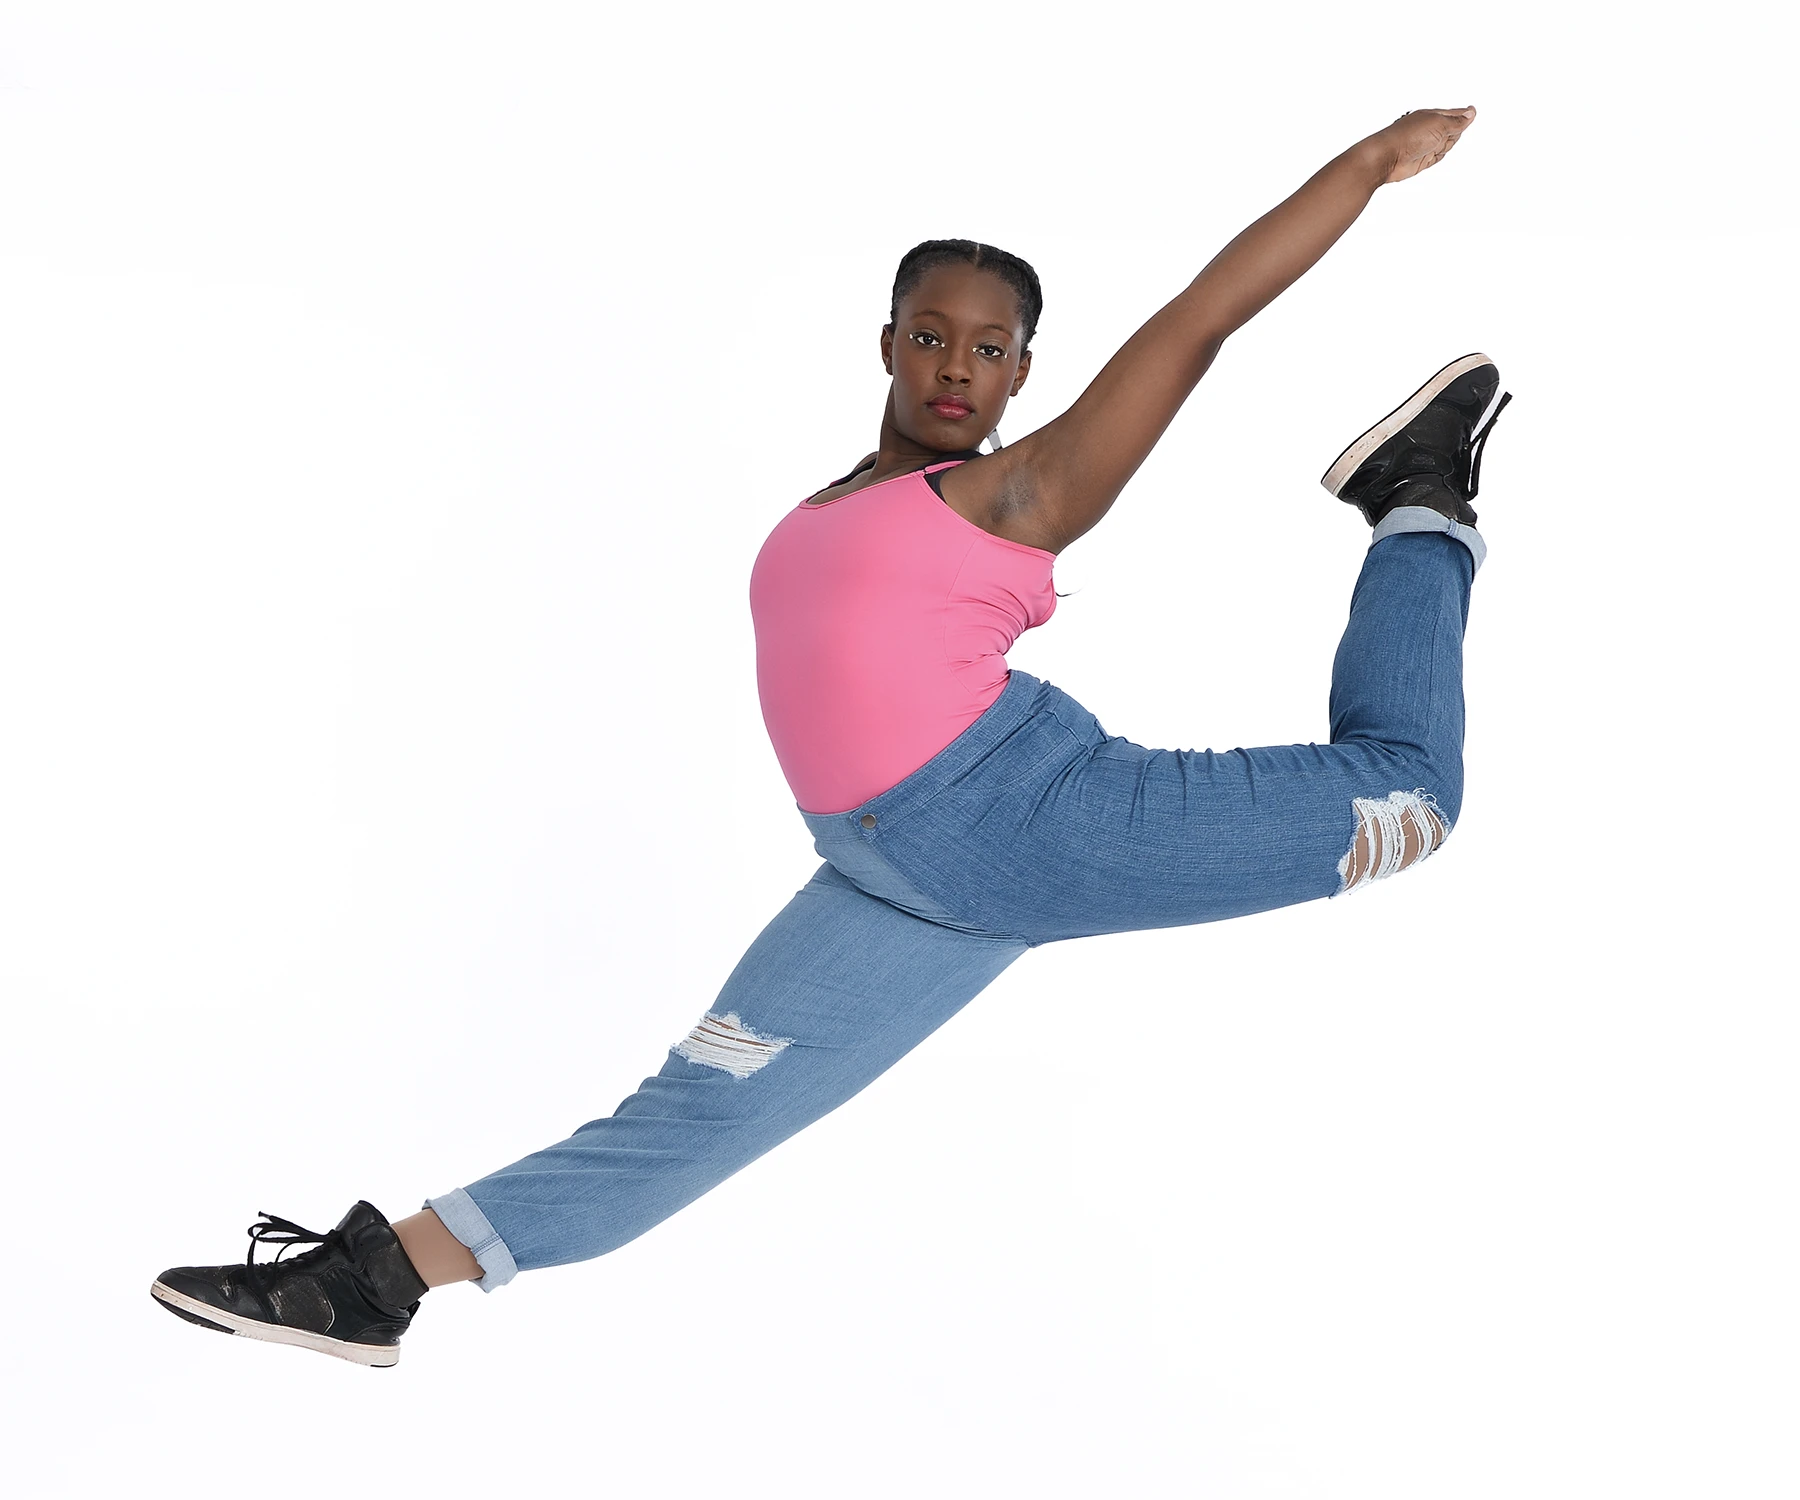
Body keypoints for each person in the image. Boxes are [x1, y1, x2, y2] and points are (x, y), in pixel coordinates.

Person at [151, 105, 1512, 1367]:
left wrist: (1364, 167)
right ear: (889, 342)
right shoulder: (843, 496)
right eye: (932, 335)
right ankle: (375, 1282)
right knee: (694, 1114)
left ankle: (1419, 503)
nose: (958, 366)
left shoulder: (1022, 490)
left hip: (1035, 820)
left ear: (1022, 371)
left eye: (991, 349)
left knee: (1411, 803)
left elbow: (1196, 322)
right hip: (887, 876)